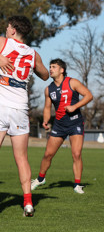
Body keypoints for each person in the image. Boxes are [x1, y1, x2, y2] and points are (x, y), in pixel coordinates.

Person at [0, 15, 49, 217]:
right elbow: (45, 74)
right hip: (20, 109)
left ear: (13, 30)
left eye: (7, 27)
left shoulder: (1, 42)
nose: (5, 29)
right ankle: (28, 202)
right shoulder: (33, 53)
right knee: (22, 158)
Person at [31, 59, 93, 194]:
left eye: (54, 67)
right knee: (48, 154)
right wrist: (45, 121)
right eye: (50, 66)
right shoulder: (49, 89)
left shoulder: (72, 82)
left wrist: (75, 107)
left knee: (76, 154)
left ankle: (77, 184)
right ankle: (40, 179)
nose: (50, 69)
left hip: (75, 122)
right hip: (59, 125)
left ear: (61, 70)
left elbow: (89, 95)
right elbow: (47, 108)